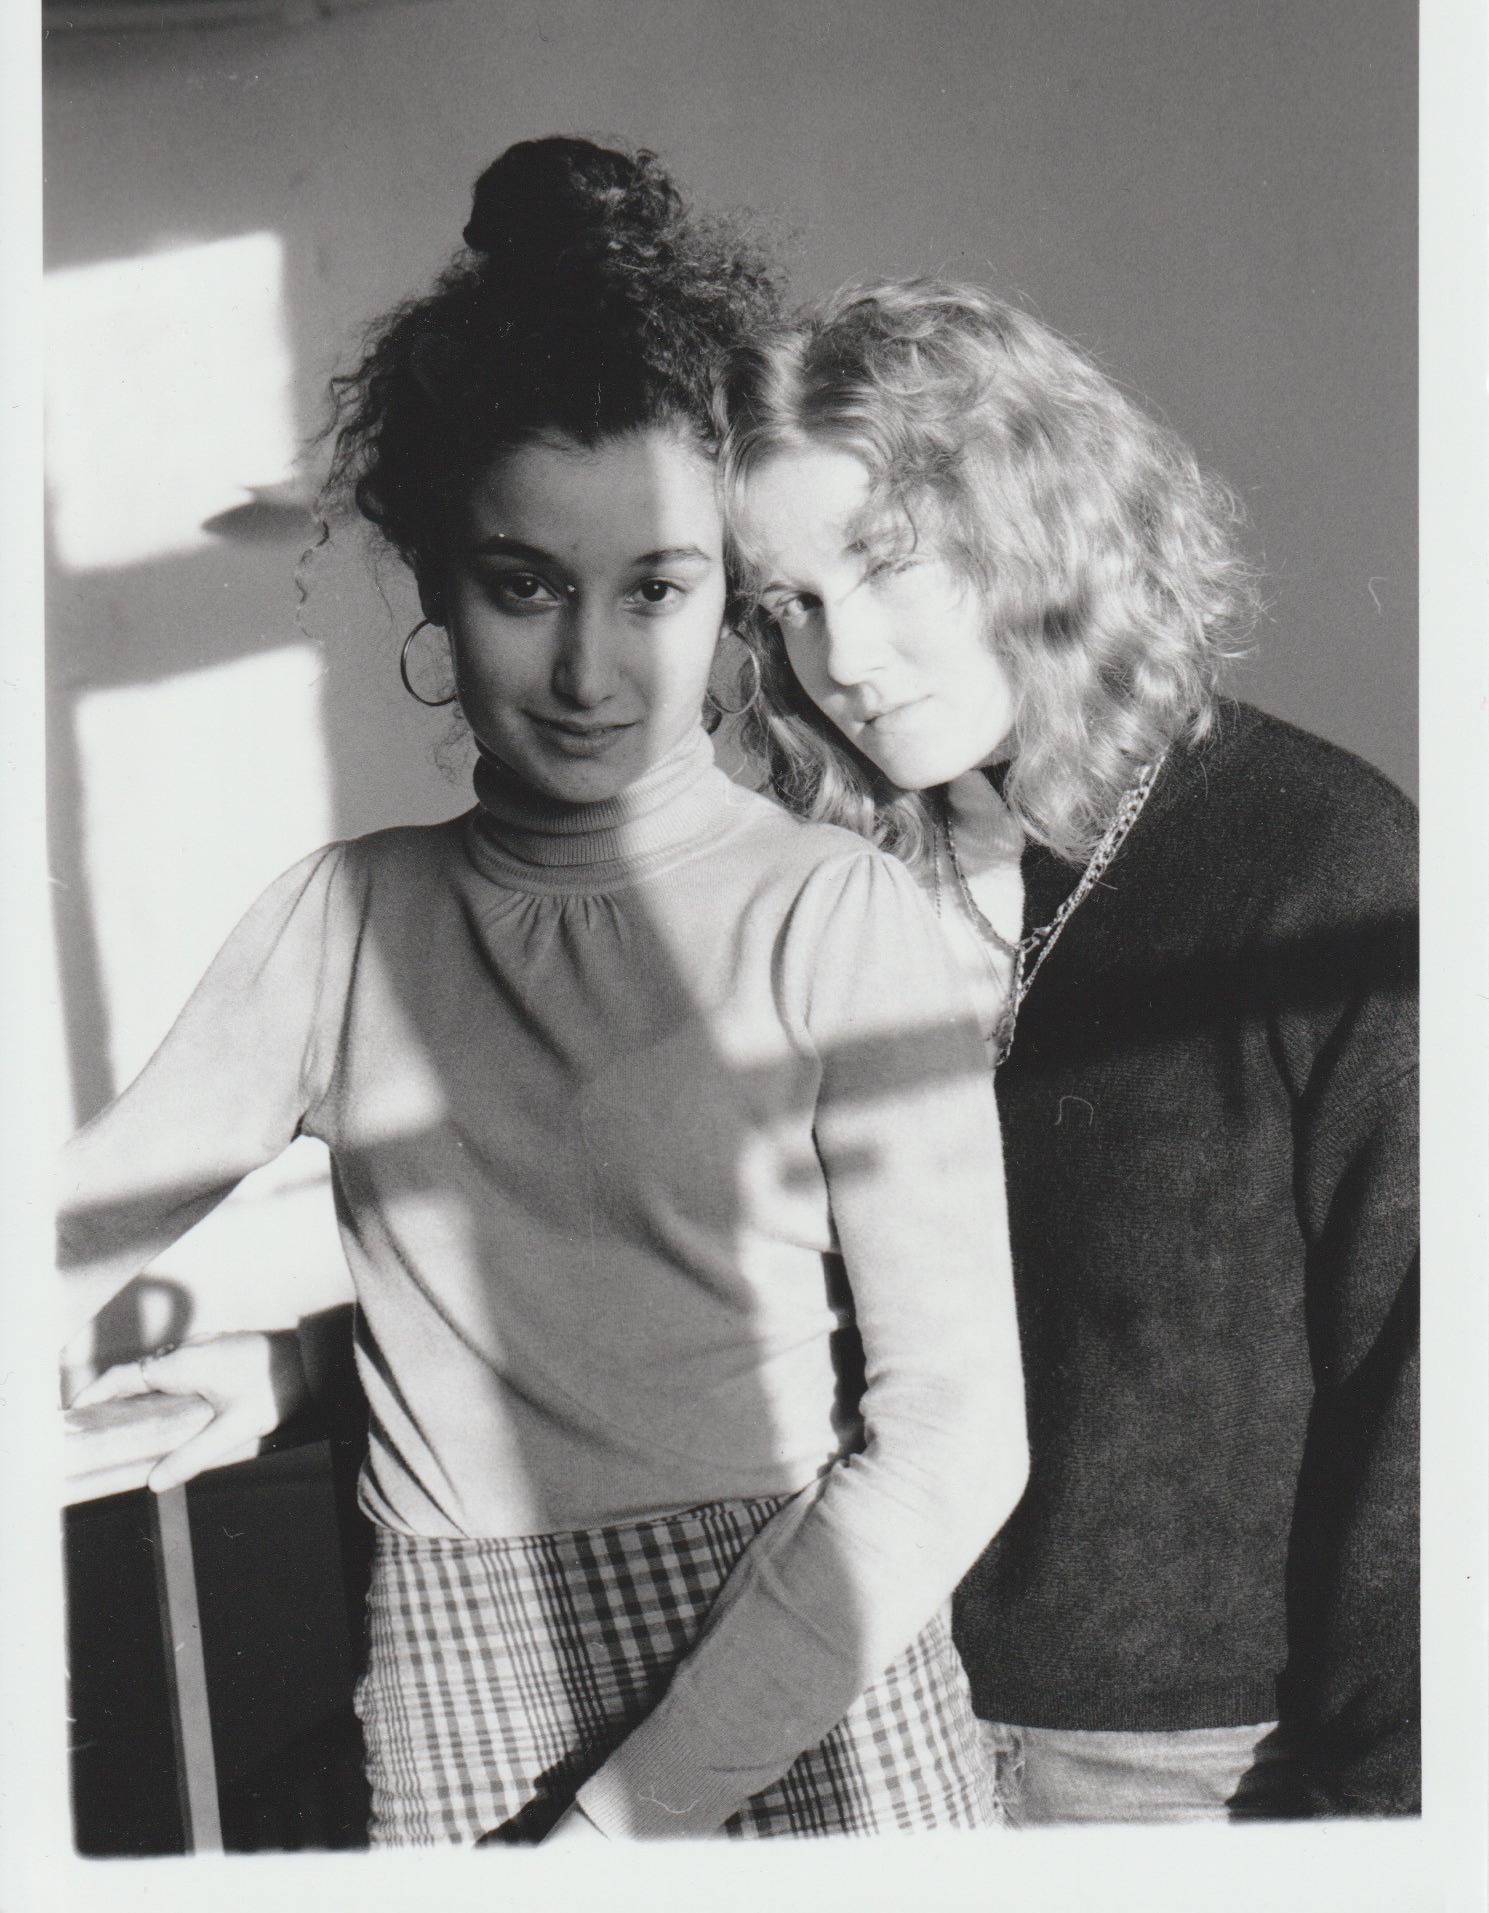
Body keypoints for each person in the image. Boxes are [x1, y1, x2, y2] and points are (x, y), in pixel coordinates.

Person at [58, 149, 1029, 1845]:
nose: (588, 672)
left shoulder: (831, 913)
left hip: (804, 1675)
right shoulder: (343, 923)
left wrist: (619, 1827)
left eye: (653, 589)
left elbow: (953, 1435)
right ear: (434, 579)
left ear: (724, 597)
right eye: (523, 585)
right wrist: (284, 1373)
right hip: (466, 1695)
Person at [716, 278, 1419, 1822]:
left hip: (1205, 1770)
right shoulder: (839, 891)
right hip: (866, 1715)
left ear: (1036, 528)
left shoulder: (1322, 863)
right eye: (786, 603)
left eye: (883, 563)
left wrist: (1384, 1813)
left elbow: (1426, 1383)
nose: (844, 655)